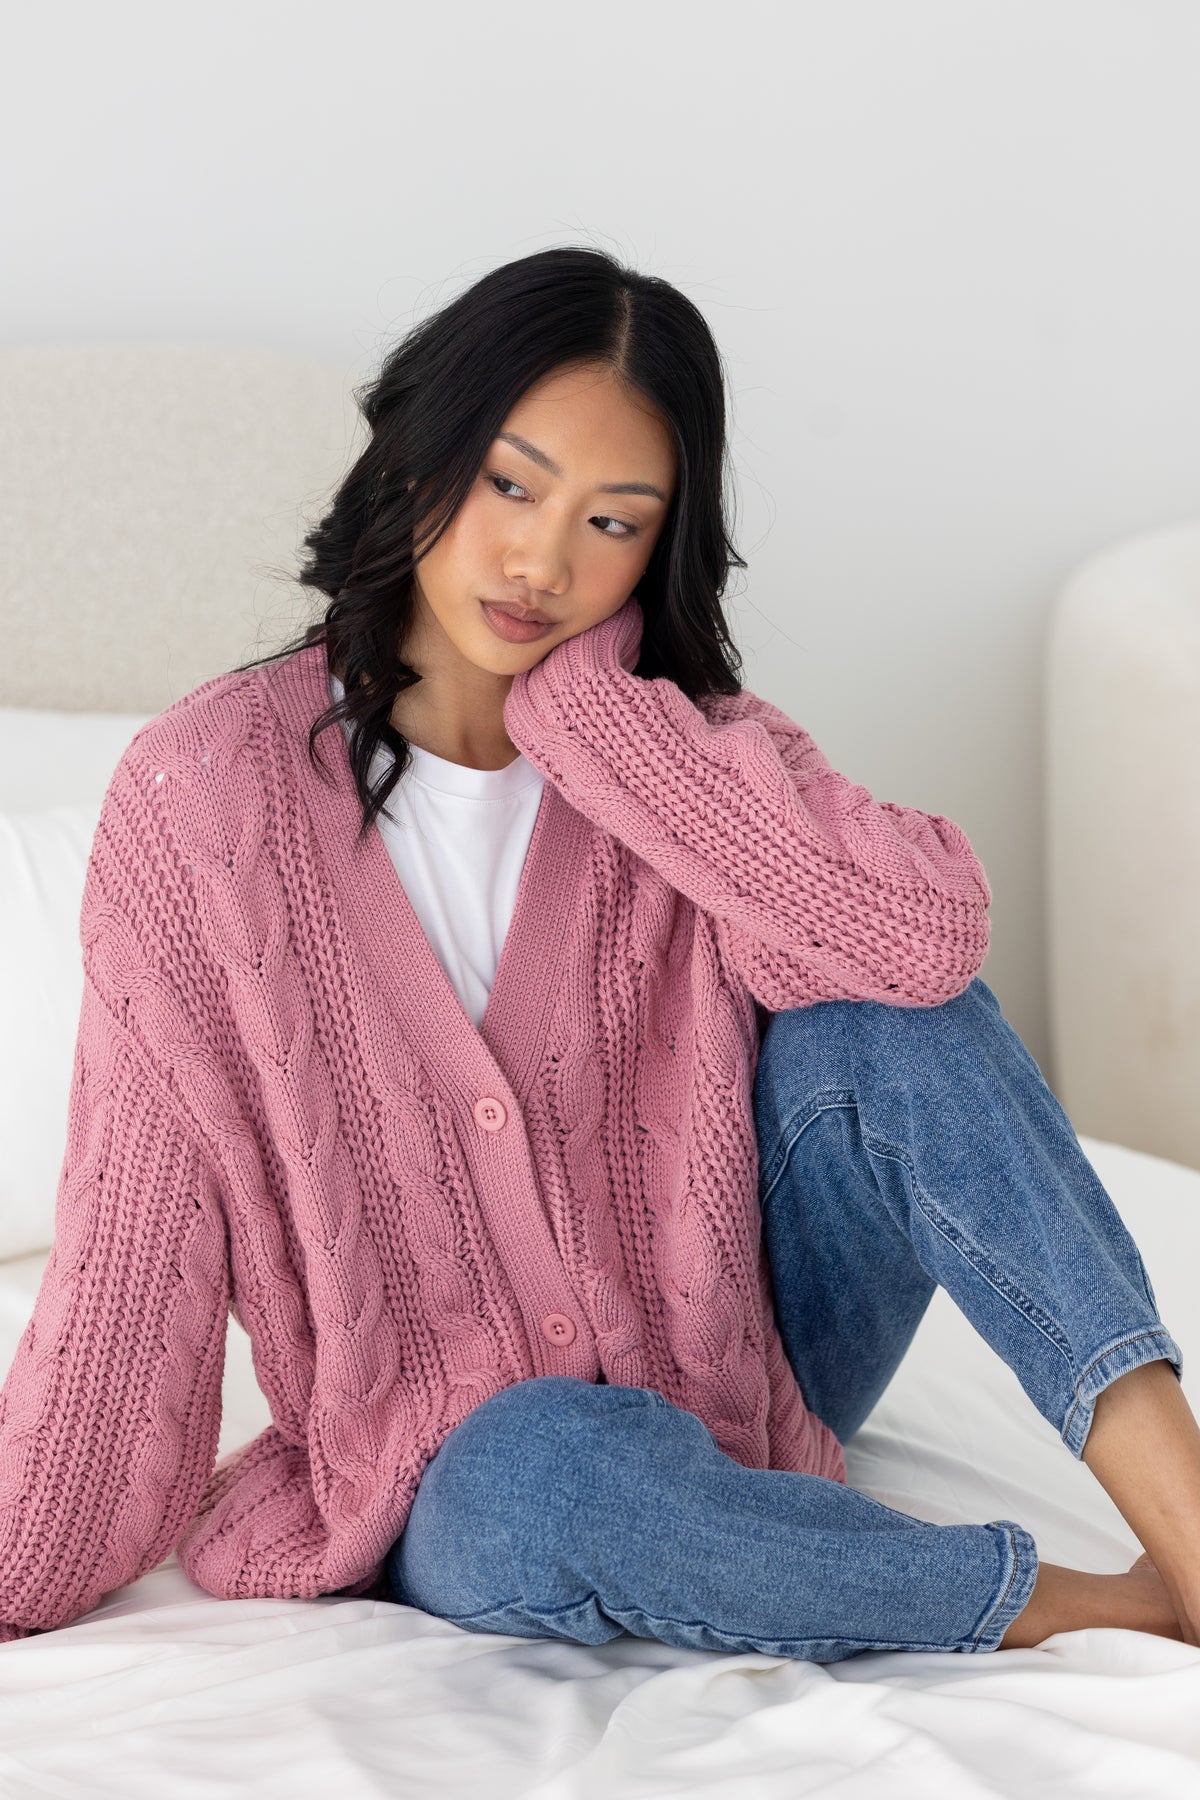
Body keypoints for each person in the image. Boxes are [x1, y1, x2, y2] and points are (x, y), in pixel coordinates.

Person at [1, 247, 1196, 1659]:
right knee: (559, 1479)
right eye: (510, 484)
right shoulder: (198, 799)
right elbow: (131, 1274)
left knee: (896, 1019)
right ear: (417, 456)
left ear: (658, 546)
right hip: (471, 1465)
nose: (541, 562)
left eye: (612, 522)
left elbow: (927, 941)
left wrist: (610, 732)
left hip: (752, 1359)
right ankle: (1086, 1605)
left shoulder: (679, 747)